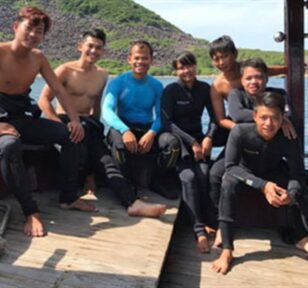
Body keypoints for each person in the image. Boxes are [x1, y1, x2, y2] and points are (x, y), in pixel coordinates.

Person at [211, 91, 308, 287]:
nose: (269, 123)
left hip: (274, 173)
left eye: (275, 118)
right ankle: (227, 249)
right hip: (247, 173)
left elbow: (297, 174)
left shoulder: (288, 136)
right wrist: (262, 186)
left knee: (306, 195)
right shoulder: (240, 132)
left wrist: (291, 194)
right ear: (254, 117)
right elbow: (231, 167)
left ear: (282, 118)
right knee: (228, 183)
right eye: (263, 118)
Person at [38, 28, 167, 218]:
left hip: (88, 123)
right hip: (65, 120)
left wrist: (96, 134)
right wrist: (60, 127)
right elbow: (43, 100)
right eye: (90, 46)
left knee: (106, 160)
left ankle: (132, 203)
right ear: (80, 46)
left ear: (103, 51)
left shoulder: (102, 75)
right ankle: (68, 197)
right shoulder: (65, 70)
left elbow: (97, 108)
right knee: (73, 143)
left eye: (98, 48)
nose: (93, 51)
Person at [0, 6, 93, 237]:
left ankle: (68, 197)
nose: (33, 35)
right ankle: (31, 211)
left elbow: (60, 91)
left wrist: (74, 121)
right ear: (15, 27)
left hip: (22, 117)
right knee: (10, 147)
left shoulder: (38, 58)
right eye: (29, 28)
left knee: (71, 136)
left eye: (39, 31)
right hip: (1, 120)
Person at [206, 36, 294, 246]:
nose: (221, 62)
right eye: (216, 59)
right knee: (215, 174)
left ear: (234, 55)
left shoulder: (249, 71)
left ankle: (290, 228)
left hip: (267, 133)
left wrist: (284, 117)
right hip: (240, 133)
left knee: (290, 176)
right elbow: (222, 119)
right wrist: (243, 131)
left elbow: (271, 71)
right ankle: (219, 224)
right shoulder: (219, 86)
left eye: (224, 56)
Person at [101, 40, 180, 198]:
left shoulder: (156, 85)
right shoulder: (118, 82)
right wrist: (125, 130)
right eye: (136, 58)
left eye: (144, 58)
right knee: (118, 145)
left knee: (173, 145)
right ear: (129, 59)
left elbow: (161, 115)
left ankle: (157, 181)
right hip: (123, 125)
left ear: (151, 60)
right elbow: (107, 111)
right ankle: (127, 183)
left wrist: (151, 132)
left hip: (147, 127)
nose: (140, 62)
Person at [161, 51, 218, 253]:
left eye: (189, 66)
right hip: (179, 140)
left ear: (196, 66)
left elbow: (214, 118)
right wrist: (192, 141)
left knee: (205, 174)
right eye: (181, 67)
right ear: (176, 70)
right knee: (188, 176)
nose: (186, 71)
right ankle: (199, 231)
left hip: (199, 139)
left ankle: (210, 220)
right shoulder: (171, 90)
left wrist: (209, 137)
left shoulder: (204, 88)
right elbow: (167, 123)